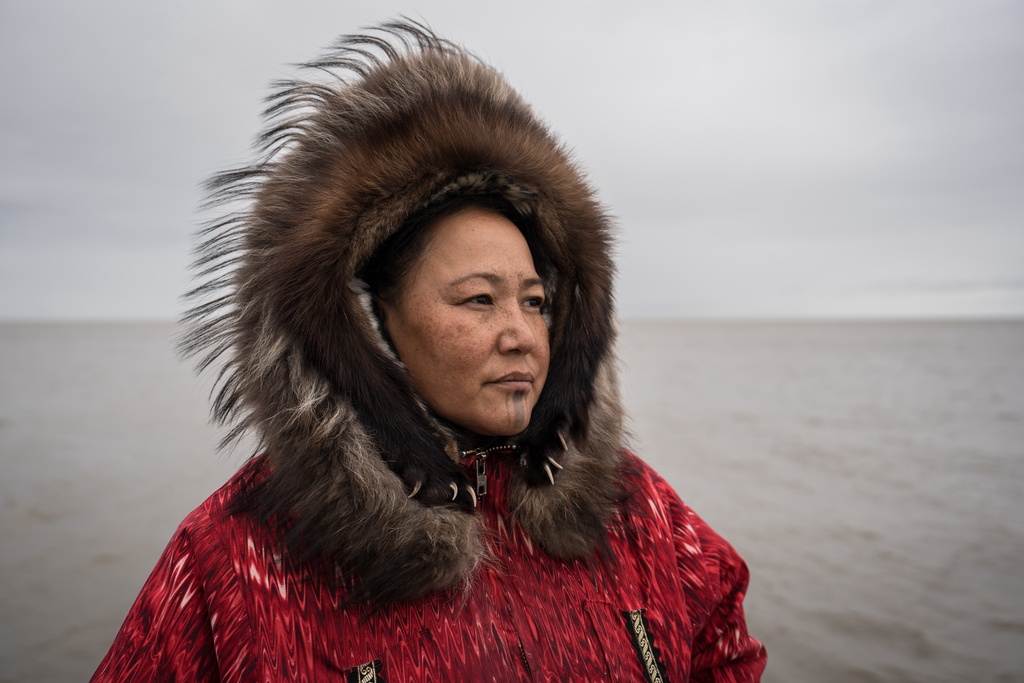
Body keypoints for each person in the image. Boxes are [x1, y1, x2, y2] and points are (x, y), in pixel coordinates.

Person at [92, 21, 766, 682]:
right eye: (479, 299)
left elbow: (725, 649)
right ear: (372, 319)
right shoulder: (233, 560)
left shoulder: (639, 511)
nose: (521, 334)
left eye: (536, 301)